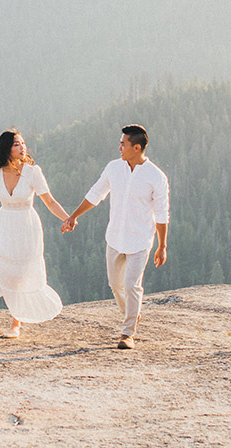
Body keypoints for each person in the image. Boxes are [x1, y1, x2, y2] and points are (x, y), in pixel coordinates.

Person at [62, 124, 169, 349]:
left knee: (131, 285)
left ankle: (127, 333)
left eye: (123, 144)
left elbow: (161, 213)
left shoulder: (156, 176)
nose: (119, 147)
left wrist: (162, 246)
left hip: (140, 240)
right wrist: (73, 216)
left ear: (137, 147)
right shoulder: (113, 168)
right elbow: (96, 194)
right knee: (115, 284)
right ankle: (132, 313)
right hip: (115, 238)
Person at [0, 130, 70, 338]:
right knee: (8, 271)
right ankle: (16, 317)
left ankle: (16, 323)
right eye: (16, 145)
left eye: (23, 144)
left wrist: (67, 218)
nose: (22, 148)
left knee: (23, 272)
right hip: (6, 224)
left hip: (27, 225)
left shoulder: (32, 172)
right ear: (6, 149)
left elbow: (49, 200)